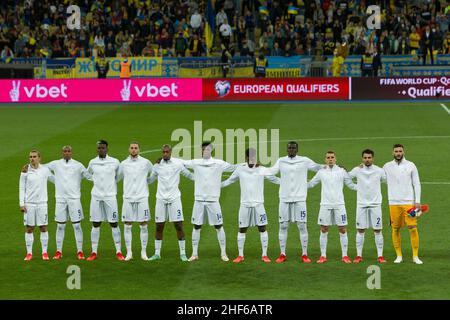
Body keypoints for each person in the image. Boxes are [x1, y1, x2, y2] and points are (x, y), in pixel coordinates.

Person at [264, 142, 322, 264]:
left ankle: (305, 254)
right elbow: (270, 173)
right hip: (284, 198)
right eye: (289, 148)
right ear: (287, 149)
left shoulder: (304, 160)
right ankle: (282, 253)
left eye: (293, 148)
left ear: (297, 150)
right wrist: (281, 181)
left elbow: (317, 167)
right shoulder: (281, 161)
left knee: (302, 225)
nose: (291, 150)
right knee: (283, 226)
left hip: (300, 198)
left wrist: (334, 166)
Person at [221, 148, 280, 263]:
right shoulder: (240, 169)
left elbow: (274, 179)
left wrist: (286, 182)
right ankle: (240, 255)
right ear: (246, 158)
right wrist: (216, 186)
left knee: (262, 228)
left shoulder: (261, 169)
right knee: (242, 229)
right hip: (245, 205)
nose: (252, 159)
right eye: (250, 157)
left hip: (259, 205)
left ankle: (264, 255)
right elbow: (229, 181)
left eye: (254, 157)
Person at [181, 142, 236, 262]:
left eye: (207, 149)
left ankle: (223, 253)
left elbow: (234, 167)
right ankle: (194, 254)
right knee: (196, 226)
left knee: (219, 226)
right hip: (199, 200)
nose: (205, 151)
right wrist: (164, 159)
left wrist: (249, 163)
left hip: (213, 200)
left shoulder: (219, 163)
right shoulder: (195, 162)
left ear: (211, 150)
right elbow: (181, 162)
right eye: (203, 149)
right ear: (201, 150)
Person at [307, 151, 357, 264]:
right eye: (328, 157)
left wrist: (364, 188)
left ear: (335, 159)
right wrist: (299, 184)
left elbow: (351, 185)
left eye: (332, 157)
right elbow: (311, 184)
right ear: (325, 160)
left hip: (339, 204)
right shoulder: (321, 172)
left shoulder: (342, 171)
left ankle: (345, 255)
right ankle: (323, 255)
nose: (330, 159)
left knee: (342, 229)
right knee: (324, 229)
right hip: (325, 205)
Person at [147, 144, 194, 261]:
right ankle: (157, 253)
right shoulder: (157, 165)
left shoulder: (177, 164)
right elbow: (151, 179)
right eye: (163, 152)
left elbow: (188, 174)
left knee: (178, 225)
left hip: (174, 198)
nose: (165, 154)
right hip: (161, 199)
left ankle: (182, 253)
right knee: (159, 226)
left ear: (171, 152)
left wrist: (203, 179)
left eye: (167, 152)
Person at [46, 146, 91, 260]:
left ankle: (80, 251)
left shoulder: (78, 165)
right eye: (65, 151)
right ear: (62, 153)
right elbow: (42, 168)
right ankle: (58, 251)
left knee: (76, 225)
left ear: (71, 152)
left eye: (69, 151)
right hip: (60, 200)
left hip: (74, 199)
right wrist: (54, 180)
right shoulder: (55, 164)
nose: (66, 153)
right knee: (60, 226)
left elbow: (89, 176)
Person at [383, 144, 422, 264]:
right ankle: (398, 255)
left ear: (403, 152)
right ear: (392, 153)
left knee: (413, 228)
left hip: (408, 203)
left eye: (400, 151)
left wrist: (417, 201)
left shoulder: (411, 165)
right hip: (393, 202)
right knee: (395, 229)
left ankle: (415, 256)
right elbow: (375, 175)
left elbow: (417, 183)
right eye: (396, 151)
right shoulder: (386, 166)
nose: (398, 153)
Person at [86, 140, 124, 261]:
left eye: (103, 148)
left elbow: (119, 176)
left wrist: (111, 184)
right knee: (96, 224)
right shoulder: (93, 162)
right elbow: (88, 174)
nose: (101, 150)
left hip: (110, 196)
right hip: (96, 197)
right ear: (97, 149)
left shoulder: (115, 162)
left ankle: (118, 251)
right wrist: (96, 182)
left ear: (107, 149)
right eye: (99, 148)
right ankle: (94, 252)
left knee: (114, 223)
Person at [349, 149, 387, 264]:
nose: (367, 160)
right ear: (362, 159)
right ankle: (358, 255)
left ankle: (380, 256)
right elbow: (346, 178)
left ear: (373, 158)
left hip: (375, 205)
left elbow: (387, 181)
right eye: (365, 158)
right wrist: (356, 187)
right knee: (360, 230)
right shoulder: (357, 170)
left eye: (369, 158)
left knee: (378, 230)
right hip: (361, 204)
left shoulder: (379, 171)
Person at [117, 142, 153, 261]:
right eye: (132, 148)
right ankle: (129, 252)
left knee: (143, 225)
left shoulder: (146, 162)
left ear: (139, 150)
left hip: (142, 197)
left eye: (135, 148)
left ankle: (143, 252)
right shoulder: (123, 164)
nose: (133, 150)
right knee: (127, 225)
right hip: (128, 198)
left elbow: (154, 174)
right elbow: (117, 178)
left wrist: (145, 183)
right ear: (129, 149)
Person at [20, 150, 54, 261]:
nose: (32, 158)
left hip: (42, 203)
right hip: (29, 204)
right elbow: (21, 187)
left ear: (39, 158)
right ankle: (29, 253)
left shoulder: (45, 170)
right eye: (30, 157)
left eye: (34, 156)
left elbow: (55, 180)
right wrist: (22, 203)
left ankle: (44, 252)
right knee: (29, 228)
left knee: (43, 227)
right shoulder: (25, 170)